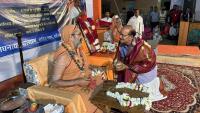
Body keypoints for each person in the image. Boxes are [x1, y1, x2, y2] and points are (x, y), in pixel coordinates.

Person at [49, 25, 103, 113]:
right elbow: (54, 81)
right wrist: (77, 81)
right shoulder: (63, 56)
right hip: (68, 88)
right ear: (70, 36)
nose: (82, 37)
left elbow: (83, 67)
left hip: (82, 81)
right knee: (90, 97)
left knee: (101, 83)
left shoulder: (78, 50)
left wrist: (93, 68)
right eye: (79, 34)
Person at [114, 25, 167, 102]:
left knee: (137, 95)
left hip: (144, 72)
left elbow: (149, 63)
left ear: (131, 36)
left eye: (123, 35)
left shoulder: (142, 47)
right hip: (129, 67)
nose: (120, 37)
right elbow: (119, 56)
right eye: (120, 34)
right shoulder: (122, 43)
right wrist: (117, 62)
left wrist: (128, 67)